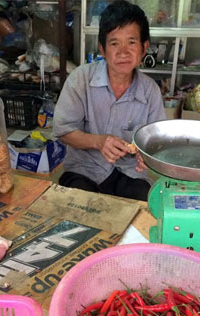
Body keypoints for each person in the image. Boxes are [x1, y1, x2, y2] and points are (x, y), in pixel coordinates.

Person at [53, 0, 166, 201]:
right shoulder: (81, 79)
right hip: (83, 170)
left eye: (131, 42)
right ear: (103, 50)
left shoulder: (150, 91)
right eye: (115, 43)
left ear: (144, 48)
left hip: (129, 173)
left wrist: (146, 157)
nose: (123, 52)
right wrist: (99, 142)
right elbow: (64, 132)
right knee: (78, 207)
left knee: (146, 209)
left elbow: (155, 142)